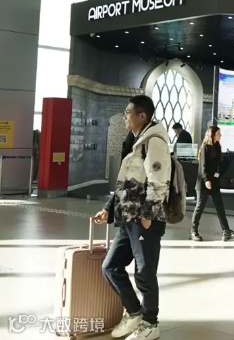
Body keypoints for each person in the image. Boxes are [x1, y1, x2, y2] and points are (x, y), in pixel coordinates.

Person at [92, 95, 170, 340]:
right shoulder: (136, 141)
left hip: (145, 220)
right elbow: (125, 184)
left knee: (145, 273)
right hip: (128, 219)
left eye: (128, 112)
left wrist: (147, 215)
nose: (125, 117)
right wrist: (108, 208)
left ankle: (150, 324)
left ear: (141, 115)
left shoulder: (154, 142)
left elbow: (159, 182)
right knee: (111, 267)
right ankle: (135, 312)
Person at [190, 126, 234, 242]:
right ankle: (193, 231)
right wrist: (206, 179)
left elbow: (218, 164)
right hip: (204, 183)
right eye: (218, 133)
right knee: (200, 207)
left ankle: (226, 231)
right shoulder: (205, 147)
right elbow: (203, 166)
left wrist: (218, 174)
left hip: (214, 182)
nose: (220, 135)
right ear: (212, 135)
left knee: (219, 206)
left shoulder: (217, 146)